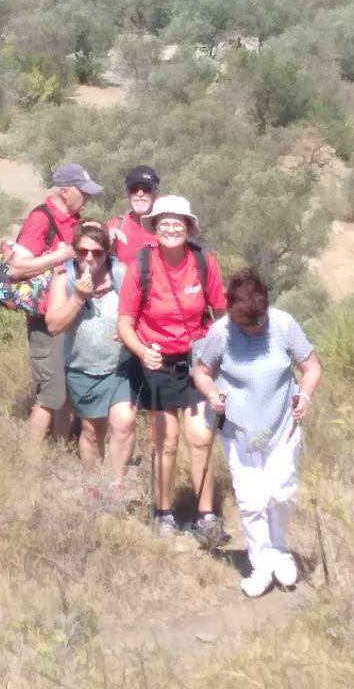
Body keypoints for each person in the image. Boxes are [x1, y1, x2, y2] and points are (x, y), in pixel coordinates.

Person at [191, 269, 323, 598]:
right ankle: (261, 562)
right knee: (251, 498)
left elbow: (312, 368)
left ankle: (280, 550)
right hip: (238, 428)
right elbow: (202, 372)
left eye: (255, 323)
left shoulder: (283, 324)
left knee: (280, 491)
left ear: (265, 309)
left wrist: (304, 396)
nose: (250, 330)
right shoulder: (221, 332)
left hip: (282, 423)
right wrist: (211, 394)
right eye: (243, 324)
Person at [116, 195, 226, 538]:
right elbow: (124, 323)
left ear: (189, 227)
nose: (171, 228)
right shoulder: (142, 266)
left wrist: (220, 358)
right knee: (166, 440)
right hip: (157, 361)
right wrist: (141, 351)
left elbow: (221, 315)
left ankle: (205, 515)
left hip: (196, 361)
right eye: (163, 222)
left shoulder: (204, 262)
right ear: (155, 227)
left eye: (178, 222)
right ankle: (163, 511)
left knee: (200, 437)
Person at [9, 163, 103, 445]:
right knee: (51, 395)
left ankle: (60, 453)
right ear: (65, 191)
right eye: (82, 192)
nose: (87, 198)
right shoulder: (41, 219)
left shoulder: (75, 222)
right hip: (45, 321)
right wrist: (58, 257)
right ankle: (30, 463)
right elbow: (15, 268)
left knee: (67, 394)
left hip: (70, 315)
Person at [45, 221, 137, 500]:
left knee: (124, 422)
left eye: (97, 253)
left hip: (120, 366)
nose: (89, 258)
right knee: (91, 429)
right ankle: (93, 486)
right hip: (82, 367)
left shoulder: (122, 275)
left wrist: (129, 334)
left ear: (107, 252)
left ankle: (116, 484)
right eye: (83, 251)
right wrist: (78, 298)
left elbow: (142, 313)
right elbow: (53, 325)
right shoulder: (65, 280)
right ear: (75, 251)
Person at [107, 166, 160, 265]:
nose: (140, 193)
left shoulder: (166, 227)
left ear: (156, 194)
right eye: (134, 189)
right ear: (127, 193)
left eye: (146, 189)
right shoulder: (115, 226)